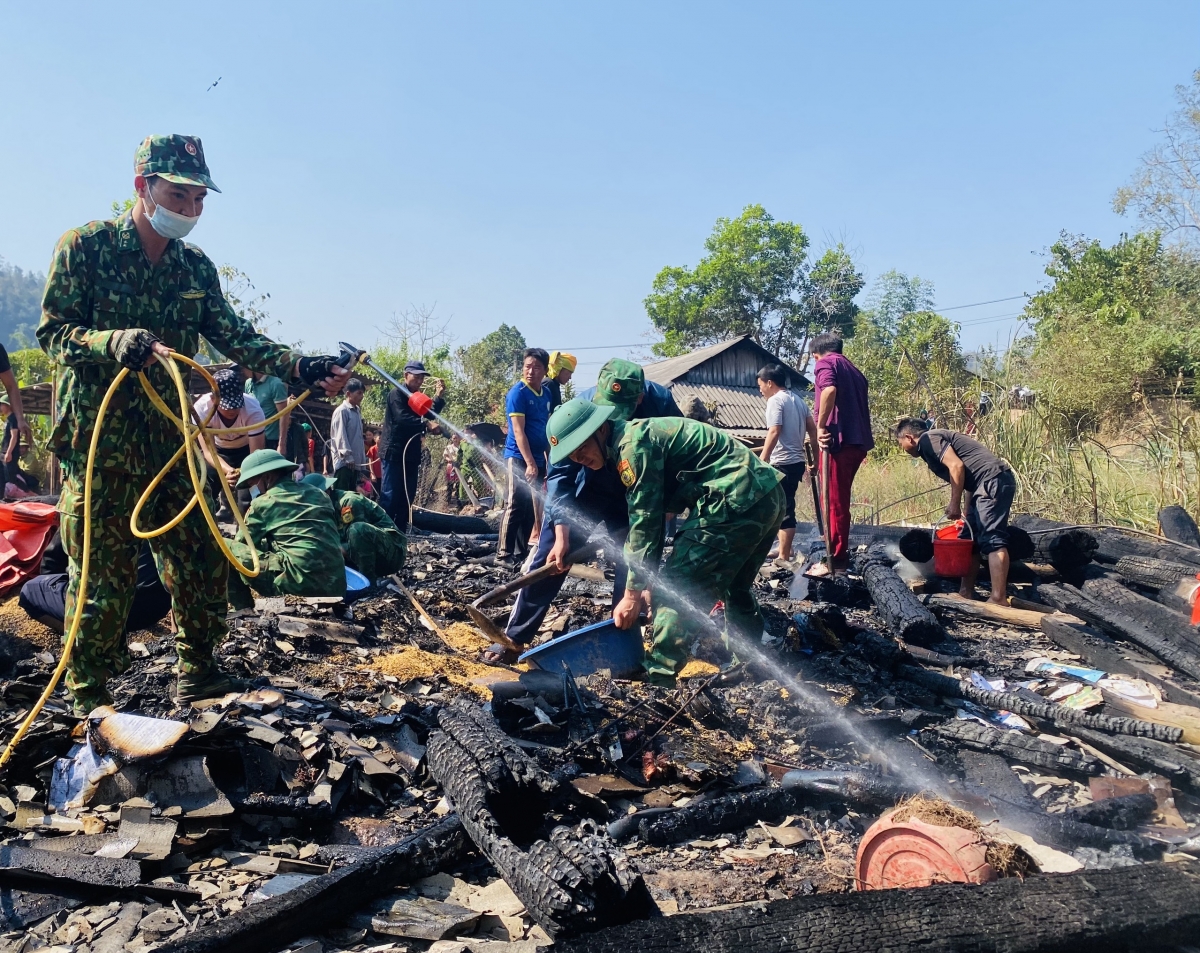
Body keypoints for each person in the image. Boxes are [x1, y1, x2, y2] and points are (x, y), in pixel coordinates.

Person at [37, 134, 351, 711]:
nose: (190, 211)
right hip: (101, 444)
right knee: (101, 576)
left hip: (171, 444)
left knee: (201, 560)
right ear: (143, 186)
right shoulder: (84, 247)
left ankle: (199, 672)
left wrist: (301, 365)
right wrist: (112, 342)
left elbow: (237, 338)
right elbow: (54, 333)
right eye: (178, 197)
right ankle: (88, 696)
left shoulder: (196, 269)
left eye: (199, 200)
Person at [547, 399, 785, 685]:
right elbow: (656, 520)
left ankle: (659, 677)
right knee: (734, 586)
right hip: (766, 494)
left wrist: (633, 595)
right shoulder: (635, 438)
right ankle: (748, 666)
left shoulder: (632, 448)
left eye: (581, 447)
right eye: (571, 455)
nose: (578, 458)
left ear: (600, 430)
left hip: (732, 500)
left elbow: (645, 523)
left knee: (677, 586)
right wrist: (645, 582)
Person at [488, 359, 683, 663]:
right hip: (587, 485)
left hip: (639, 489)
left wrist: (668, 505)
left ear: (639, 399)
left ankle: (622, 643)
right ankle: (514, 638)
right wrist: (562, 534)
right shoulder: (575, 411)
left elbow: (676, 455)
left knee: (635, 561)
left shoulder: (660, 402)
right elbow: (560, 476)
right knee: (551, 553)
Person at [896, 417, 1017, 606]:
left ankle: (998, 597)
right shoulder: (930, 444)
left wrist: (954, 504)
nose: (901, 447)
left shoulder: (929, 439)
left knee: (993, 539)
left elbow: (956, 466)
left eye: (900, 442)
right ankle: (966, 591)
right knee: (969, 539)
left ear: (909, 437)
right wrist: (967, 513)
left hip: (993, 481)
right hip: (982, 485)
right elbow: (970, 479)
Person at [227, 450, 346, 610]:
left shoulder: (263, 502)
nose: (251, 489)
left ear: (267, 477)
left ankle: (243, 609)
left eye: (251, 483)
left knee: (224, 546)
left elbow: (241, 545)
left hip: (298, 588)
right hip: (336, 588)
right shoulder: (319, 494)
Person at [809, 333, 873, 576]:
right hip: (857, 443)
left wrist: (821, 427)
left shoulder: (825, 363)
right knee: (839, 501)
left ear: (815, 355)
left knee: (833, 503)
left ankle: (834, 562)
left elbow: (828, 391)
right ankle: (836, 554)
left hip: (839, 442)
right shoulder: (855, 371)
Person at [20, 535, 171, 635]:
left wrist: (55, 588)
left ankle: (79, 639)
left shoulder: (90, 499)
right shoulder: (165, 499)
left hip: (107, 612)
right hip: (155, 608)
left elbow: (52, 558)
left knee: (29, 590)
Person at [757, 364, 818, 563]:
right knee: (782, 505)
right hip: (796, 462)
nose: (760, 390)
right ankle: (784, 548)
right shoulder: (799, 401)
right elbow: (813, 431)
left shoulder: (776, 401)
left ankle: (784, 555)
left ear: (769, 383)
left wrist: (762, 460)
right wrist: (814, 459)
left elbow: (774, 431)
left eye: (760, 385)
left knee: (784, 509)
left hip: (781, 462)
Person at [497, 348, 551, 565]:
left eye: (536, 367)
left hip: (538, 458)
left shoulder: (545, 394)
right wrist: (529, 463)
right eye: (527, 366)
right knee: (516, 503)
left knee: (531, 506)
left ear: (545, 371)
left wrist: (547, 458)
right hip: (519, 457)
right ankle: (503, 553)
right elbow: (518, 432)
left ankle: (520, 553)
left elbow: (545, 428)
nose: (531, 371)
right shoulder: (517, 393)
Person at [378, 361, 446, 531]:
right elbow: (402, 419)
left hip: (410, 454)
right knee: (390, 495)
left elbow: (429, 412)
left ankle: (400, 533)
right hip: (394, 452)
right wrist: (426, 425)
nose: (419, 381)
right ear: (405, 375)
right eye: (416, 377)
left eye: (421, 378)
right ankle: (383, 531)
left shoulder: (417, 397)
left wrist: (439, 396)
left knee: (407, 495)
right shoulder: (397, 394)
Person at [302, 473, 407, 579]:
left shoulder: (348, 502)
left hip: (392, 554)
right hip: (369, 554)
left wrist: (331, 550)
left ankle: (369, 582)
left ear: (325, 492)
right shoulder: (324, 510)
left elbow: (357, 541)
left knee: (357, 530)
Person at [193, 367, 266, 515]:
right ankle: (209, 533)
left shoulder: (253, 410)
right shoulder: (201, 409)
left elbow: (256, 454)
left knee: (247, 497)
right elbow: (208, 451)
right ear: (213, 399)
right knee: (205, 486)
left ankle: (246, 535)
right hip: (218, 453)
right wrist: (229, 471)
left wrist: (243, 473)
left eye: (236, 405)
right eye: (226, 406)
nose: (232, 410)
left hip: (247, 452)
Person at [243, 368, 293, 459]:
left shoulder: (276, 384)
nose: (243, 371)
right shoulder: (248, 384)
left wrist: (281, 444)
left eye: (243, 368)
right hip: (255, 438)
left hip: (273, 440)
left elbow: (284, 415)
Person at [329, 378, 367, 492]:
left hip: (355, 463)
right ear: (348, 394)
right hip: (345, 463)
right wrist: (347, 456)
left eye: (362, 393)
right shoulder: (342, 411)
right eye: (359, 393)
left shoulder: (357, 411)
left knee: (351, 496)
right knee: (341, 494)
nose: (362, 396)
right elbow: (340, 434)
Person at [442, 434, 462, 510]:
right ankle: (447, 502)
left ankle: (458, 503)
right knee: (449, 485)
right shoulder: (449, 447)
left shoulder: (461, 447)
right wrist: (448, 459)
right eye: (454, 438)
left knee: (458, 485)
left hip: (459, 466)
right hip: (450, 465)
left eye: (456, 438)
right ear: (452, 439)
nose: (455, 439)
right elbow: (445, 455)